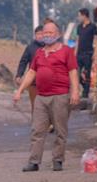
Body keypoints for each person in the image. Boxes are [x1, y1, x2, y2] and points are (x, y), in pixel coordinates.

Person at [12, 19, 80, 172]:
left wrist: (75, 91)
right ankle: (34, 161)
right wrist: (20, 90)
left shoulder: (66, 52)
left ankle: (58, 160)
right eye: (45, 33)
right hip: (41, 97)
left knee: (60, 130)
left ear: (58, 34)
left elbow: (73, 72)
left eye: (50, 33)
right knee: (37, 129)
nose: (47, 35)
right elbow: (31, 72)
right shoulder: (39, 53)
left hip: (60, 96)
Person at [15, 26, 44, 112]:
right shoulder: (30, 48)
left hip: (47, 82)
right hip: (33, 82)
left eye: (42, 34)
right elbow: (23, 62)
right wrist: (19, 75)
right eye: (38, 34)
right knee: (35, 105)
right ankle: (36, 123)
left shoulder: (49, 47)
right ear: (35, 35)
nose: (40, 36)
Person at [75, 8, 97, 99]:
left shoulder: (93, 27)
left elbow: (96, 41)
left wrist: (95, 54)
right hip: (79, 54)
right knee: (76, 73)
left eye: (79, 15)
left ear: (84, 15)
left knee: (87, 73)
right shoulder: (79, 27)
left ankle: (85, 94)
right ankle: (85, 86)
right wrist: (74, 53)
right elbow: (77, 41)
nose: (78, 17)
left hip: (88, 53)